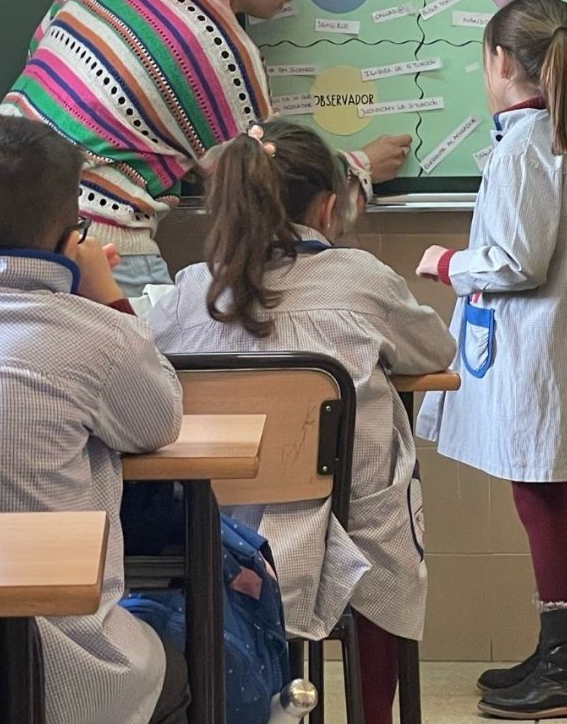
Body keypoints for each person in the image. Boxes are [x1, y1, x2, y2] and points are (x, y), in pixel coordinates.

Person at [0, 0, 411, 294]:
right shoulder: (215, 50)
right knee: (139, 364)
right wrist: (359, 169)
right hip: (98, 249)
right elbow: (263, 179)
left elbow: (41, 50)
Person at [144, 118, 457, 724]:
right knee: (385, 515)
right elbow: (435, 353)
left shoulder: (191, 292)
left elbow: (146, 364)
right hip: (347, 521)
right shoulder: (362, 279)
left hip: (223, 529)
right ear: (328, 205)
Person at [415, 0, 567, 720]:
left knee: (539, 495)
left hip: (536, 351)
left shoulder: (526, 147)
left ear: (498, 61)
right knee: (556, 491)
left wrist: (446, 264)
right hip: (555, 348)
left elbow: (517, 261)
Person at [0, 115, 188, 724]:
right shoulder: (96, 338)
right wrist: (108, 298)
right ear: (71, 240)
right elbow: (160, 421)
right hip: (59, 674)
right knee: (188, 654)